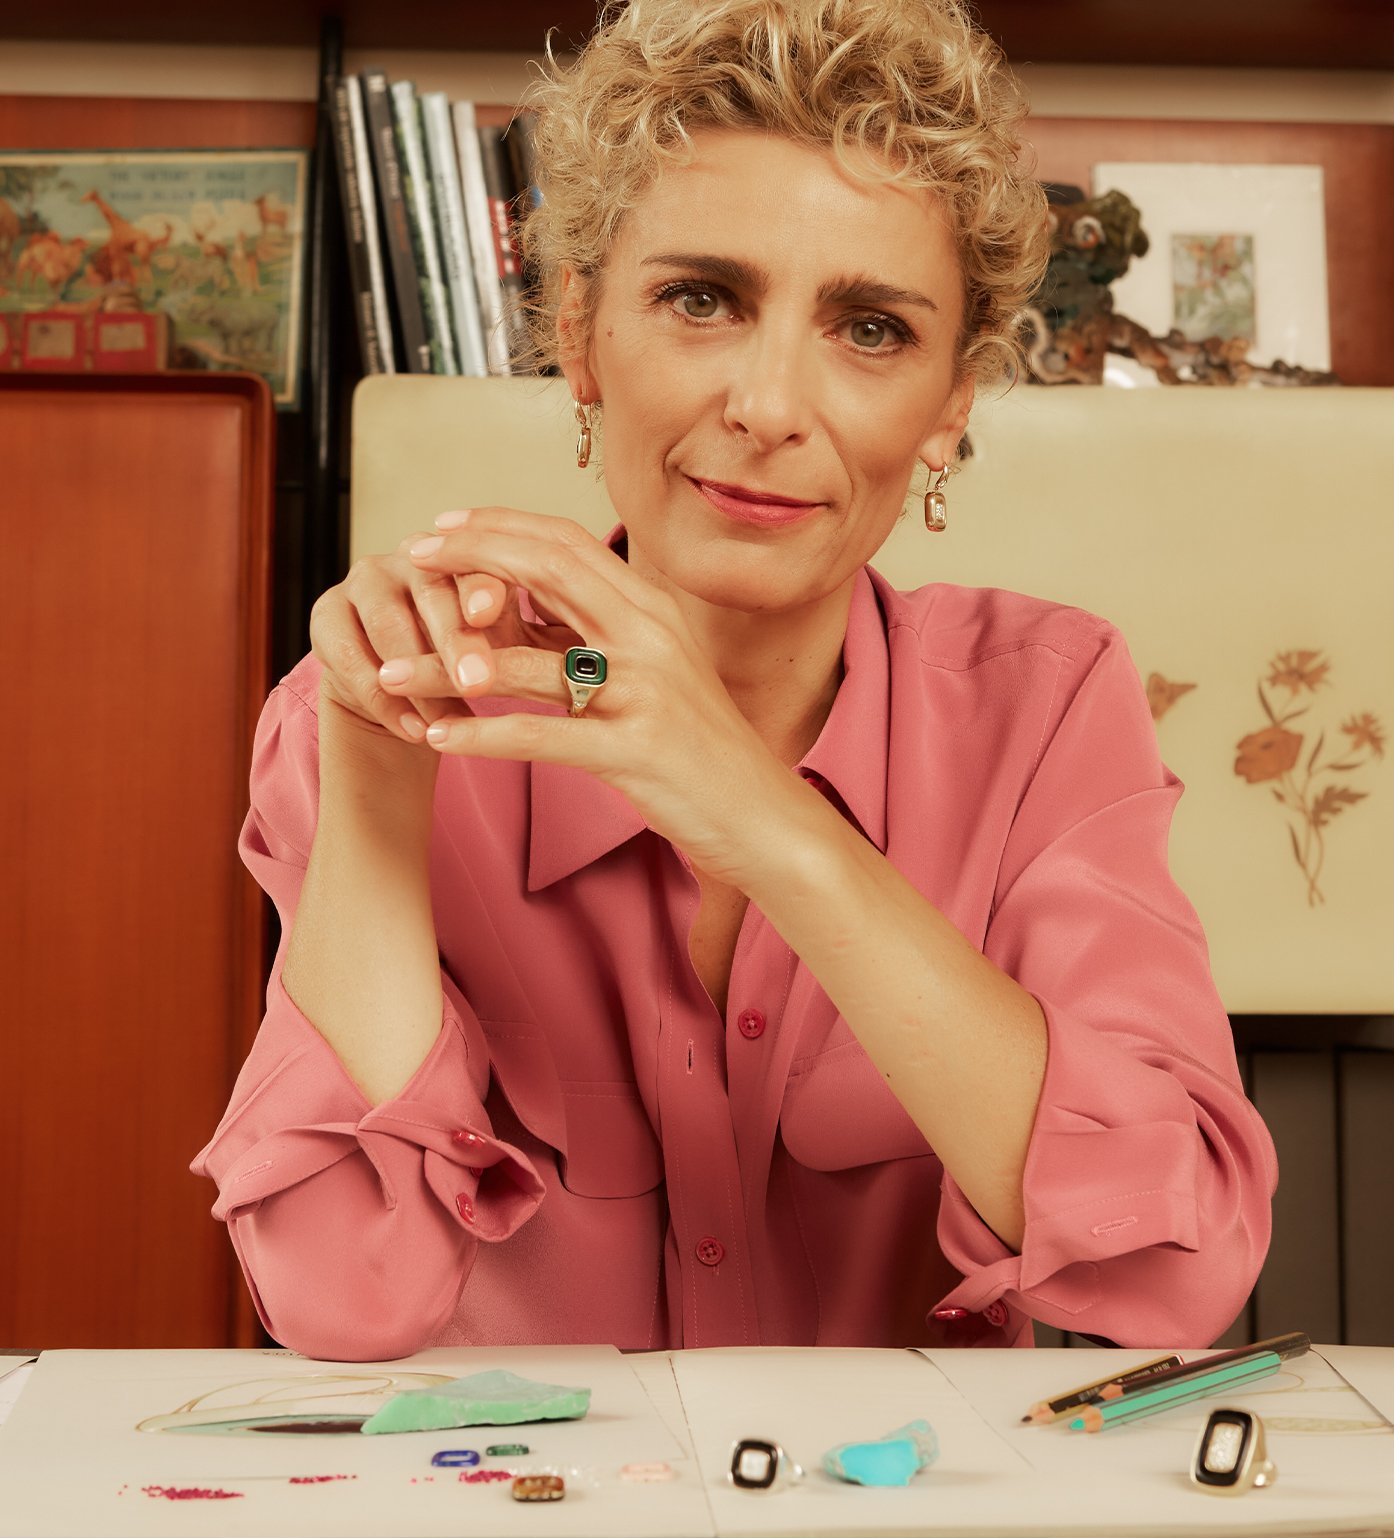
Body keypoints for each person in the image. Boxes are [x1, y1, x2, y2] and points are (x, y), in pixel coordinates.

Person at [194, 0, 1277, 1361]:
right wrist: (371, 774)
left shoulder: (1044, 704)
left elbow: (1172, 1274)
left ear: (949, 407)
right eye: (699, 299)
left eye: (870, 328)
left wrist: (750, 809)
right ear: (581, 336)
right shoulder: (377, 710)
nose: (769, 406)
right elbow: (345, 1301)